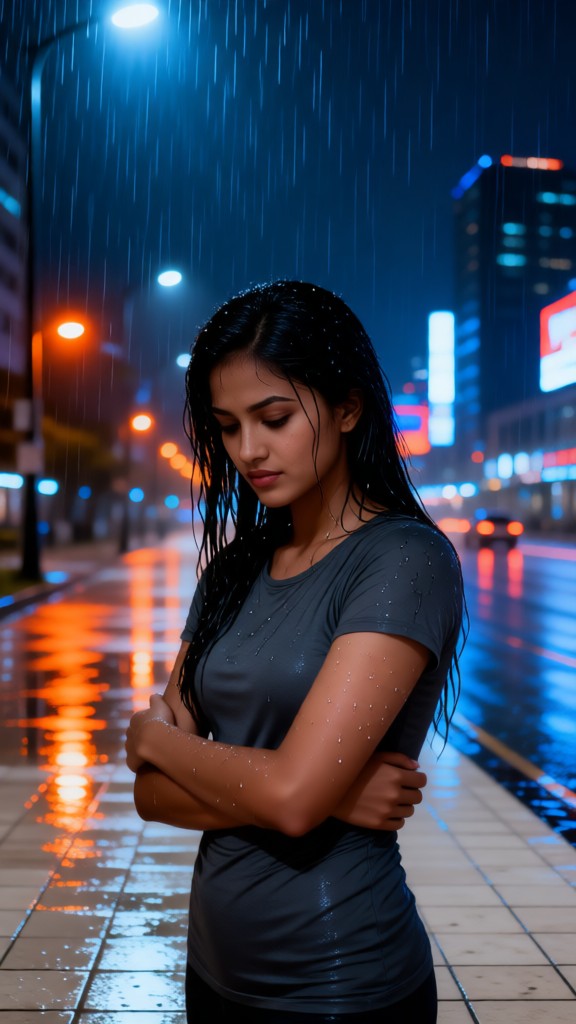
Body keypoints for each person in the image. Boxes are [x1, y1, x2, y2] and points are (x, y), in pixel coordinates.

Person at [125, 280, 465, 1023]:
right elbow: (149, 795)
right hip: (215, 967)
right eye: (227, 426)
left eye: (274, 418)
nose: (248, 450)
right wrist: (327, 793)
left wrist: (156, 738)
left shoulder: (403, 561)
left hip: (340, 979)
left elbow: (283, 795)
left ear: (346, 408)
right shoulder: (233, 569)